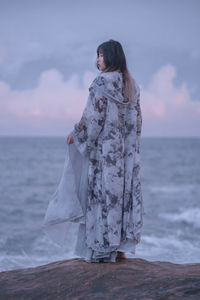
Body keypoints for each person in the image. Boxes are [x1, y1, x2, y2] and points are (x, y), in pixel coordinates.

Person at [43, 39, 145, 264]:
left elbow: (93, 118)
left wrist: (76, 134)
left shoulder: (101, 82)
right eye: (97, 55)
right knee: (122, 197)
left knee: (102, 198)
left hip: (105, 154)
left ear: (110, 57)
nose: (98, 60)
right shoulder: (132, 84)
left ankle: (102, 249)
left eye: (101, 55)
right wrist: (130, 149)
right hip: (126, 154)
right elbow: (137, 123)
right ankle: (120, 249)